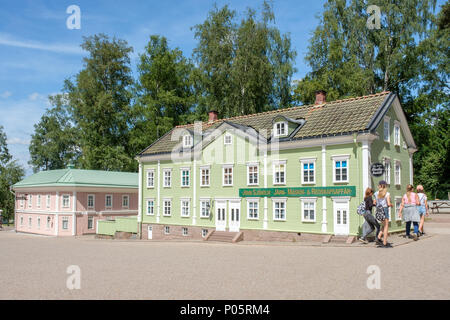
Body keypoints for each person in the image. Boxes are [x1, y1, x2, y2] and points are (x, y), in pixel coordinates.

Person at [374, 180, 392, 248]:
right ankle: (384, 242)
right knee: (386, 226)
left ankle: (378, 237)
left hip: (378, 210)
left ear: (379, 185)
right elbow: (388, 203)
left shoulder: (376, 193)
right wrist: (391, 204)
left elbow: (375, 202)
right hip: (384, 209)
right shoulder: (387, 193)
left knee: (383, 225)